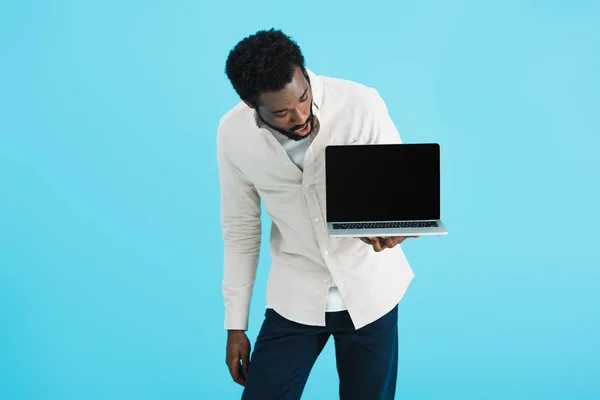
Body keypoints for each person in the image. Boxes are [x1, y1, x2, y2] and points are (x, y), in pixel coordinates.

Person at [217, 28, 417, 400]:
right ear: (251, 106)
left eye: (304, 98)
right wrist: (235, 324)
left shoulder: (361, 104)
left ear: (305, 73)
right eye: (282, 112)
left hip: (371, 292)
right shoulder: (232, 135)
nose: (301, 115)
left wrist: (396, 228)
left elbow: (397, 195)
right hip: (295, 296)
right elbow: (240, 230)